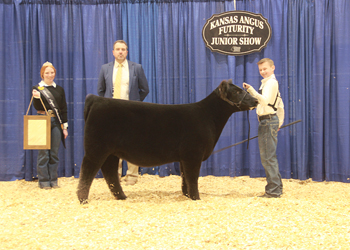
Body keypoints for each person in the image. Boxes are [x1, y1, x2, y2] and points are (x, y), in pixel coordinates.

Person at [97, 40, 149, 185]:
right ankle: (115, 175)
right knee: (113, 145)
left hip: (131, 113)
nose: (120, 52)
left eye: (123, 49)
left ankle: (132, 176)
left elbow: (145, 89)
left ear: (127, 52)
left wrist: (135, 103)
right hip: (112, 114)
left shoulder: (136, 68)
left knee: (133, 144)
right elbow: (101, 90)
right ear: (113, 52)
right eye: (118, 49)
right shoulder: (105, 69)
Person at [243, 58, 284, 198]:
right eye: (260, 70)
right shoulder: (268, 83)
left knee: (267, 158)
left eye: (265, 69)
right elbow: (279, 104)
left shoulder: (271, 83)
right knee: (269, 156)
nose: (263, 72)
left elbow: (265, 101)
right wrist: (279, 123)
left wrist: (251, 90)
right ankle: (277, 187)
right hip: (268, 121)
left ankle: (273, 191)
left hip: (268, 122)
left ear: (273, 68)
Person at [32, 62, 68, 189]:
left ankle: (53, 180)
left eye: (52, 72)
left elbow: (63, 109)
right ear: (42, 74)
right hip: (42, 120)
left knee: (54, 153)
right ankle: (43, 181)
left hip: (56, 121)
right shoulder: (37, 88)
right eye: (47, 73)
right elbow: (36, 107)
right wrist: (36, 98)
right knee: (43, 153)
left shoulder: (59, 89)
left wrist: (65, 127)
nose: (50, 75)